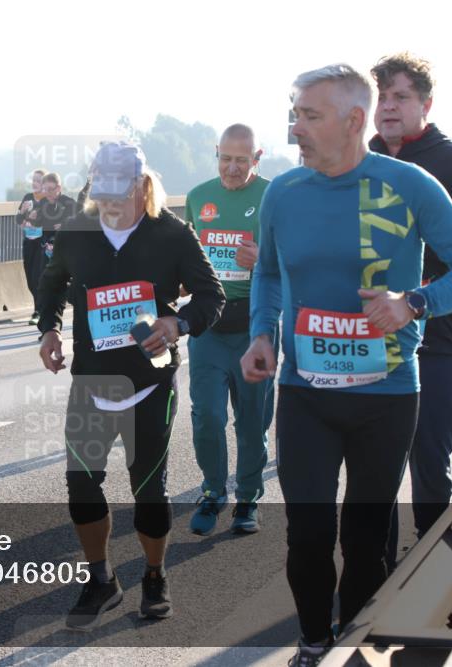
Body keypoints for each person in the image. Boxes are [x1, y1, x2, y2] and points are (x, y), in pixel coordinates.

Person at [241, 65, 452, 665]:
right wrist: (262, 335)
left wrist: (414, 304)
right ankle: (311, 643)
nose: (293, 127)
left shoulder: (409, 184)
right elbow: (270, 273)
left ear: (353, 121)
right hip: (304, 392)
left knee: (364, 541)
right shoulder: (283, 191)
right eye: (294, 112)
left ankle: (352, 647)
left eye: (309, 115)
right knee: (306, 534)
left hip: (386, 396)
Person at [38, 142, 225, 630]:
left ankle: (154, 574)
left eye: (121, 192)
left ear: (144, 187)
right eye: (103, 192)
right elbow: (52, 282)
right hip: (91, 385)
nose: (111, 203)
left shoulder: (172, 234)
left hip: (149, 384)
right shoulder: (77, 233)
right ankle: (100, 578)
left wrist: (177, 324)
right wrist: (50, 328)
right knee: (80, 485)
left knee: (148, 491)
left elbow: (211, 295)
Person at [368, 53, 452, 566]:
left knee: (429, 461)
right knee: (376, 468)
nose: (389, 107)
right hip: (371, 345)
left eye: (400, 96)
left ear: (425, 103)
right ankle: (373, 576)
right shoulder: (361, 162)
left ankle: (430, 565)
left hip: (438, 340)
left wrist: (422, 291)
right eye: (381, 97)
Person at [184, 123, 275, 536]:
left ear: (257, 158)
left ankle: (249, 498)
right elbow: (185, 266)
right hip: (210, 324)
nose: (232, 168)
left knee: (252, 419)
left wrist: (264, 260)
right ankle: (213, 491)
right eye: (226, 158)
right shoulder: (198, 198)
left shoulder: (274, 196)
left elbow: (300, 265)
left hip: (255, 325)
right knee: (207, 416)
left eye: (242, 160)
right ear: (216, 154)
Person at [16, 169, 47, 325]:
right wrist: (22, 211)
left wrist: (35, 217)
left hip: (42, 243)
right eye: (33, 180)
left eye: (38, 181)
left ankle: (38, 311)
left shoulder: (48, 200)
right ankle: (40, 308)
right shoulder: (28, 197)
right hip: (29, 242)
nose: (35, 183)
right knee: (29, 279)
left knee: (38, 277)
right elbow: (18, 219)